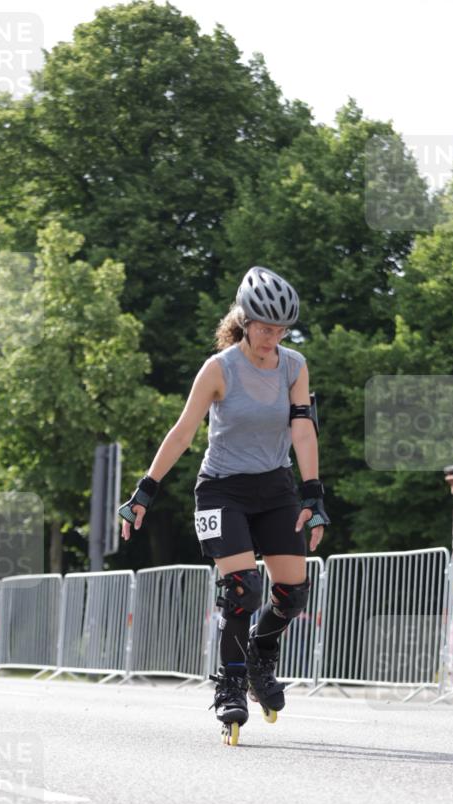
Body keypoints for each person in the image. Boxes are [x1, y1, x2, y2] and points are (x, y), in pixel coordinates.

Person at [118, 266, 330, 745]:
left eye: (280, 330)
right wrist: (145, 491)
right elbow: (184, 430)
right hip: (221, 489)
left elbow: (302, 428)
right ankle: (232, 683)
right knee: (241, 589)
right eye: (264, 327)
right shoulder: (220, 369)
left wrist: (313, 493)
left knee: (293, 592)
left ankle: (260, 652)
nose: (271, 338)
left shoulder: (294, 366)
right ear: (244, 320)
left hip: (275, 487)